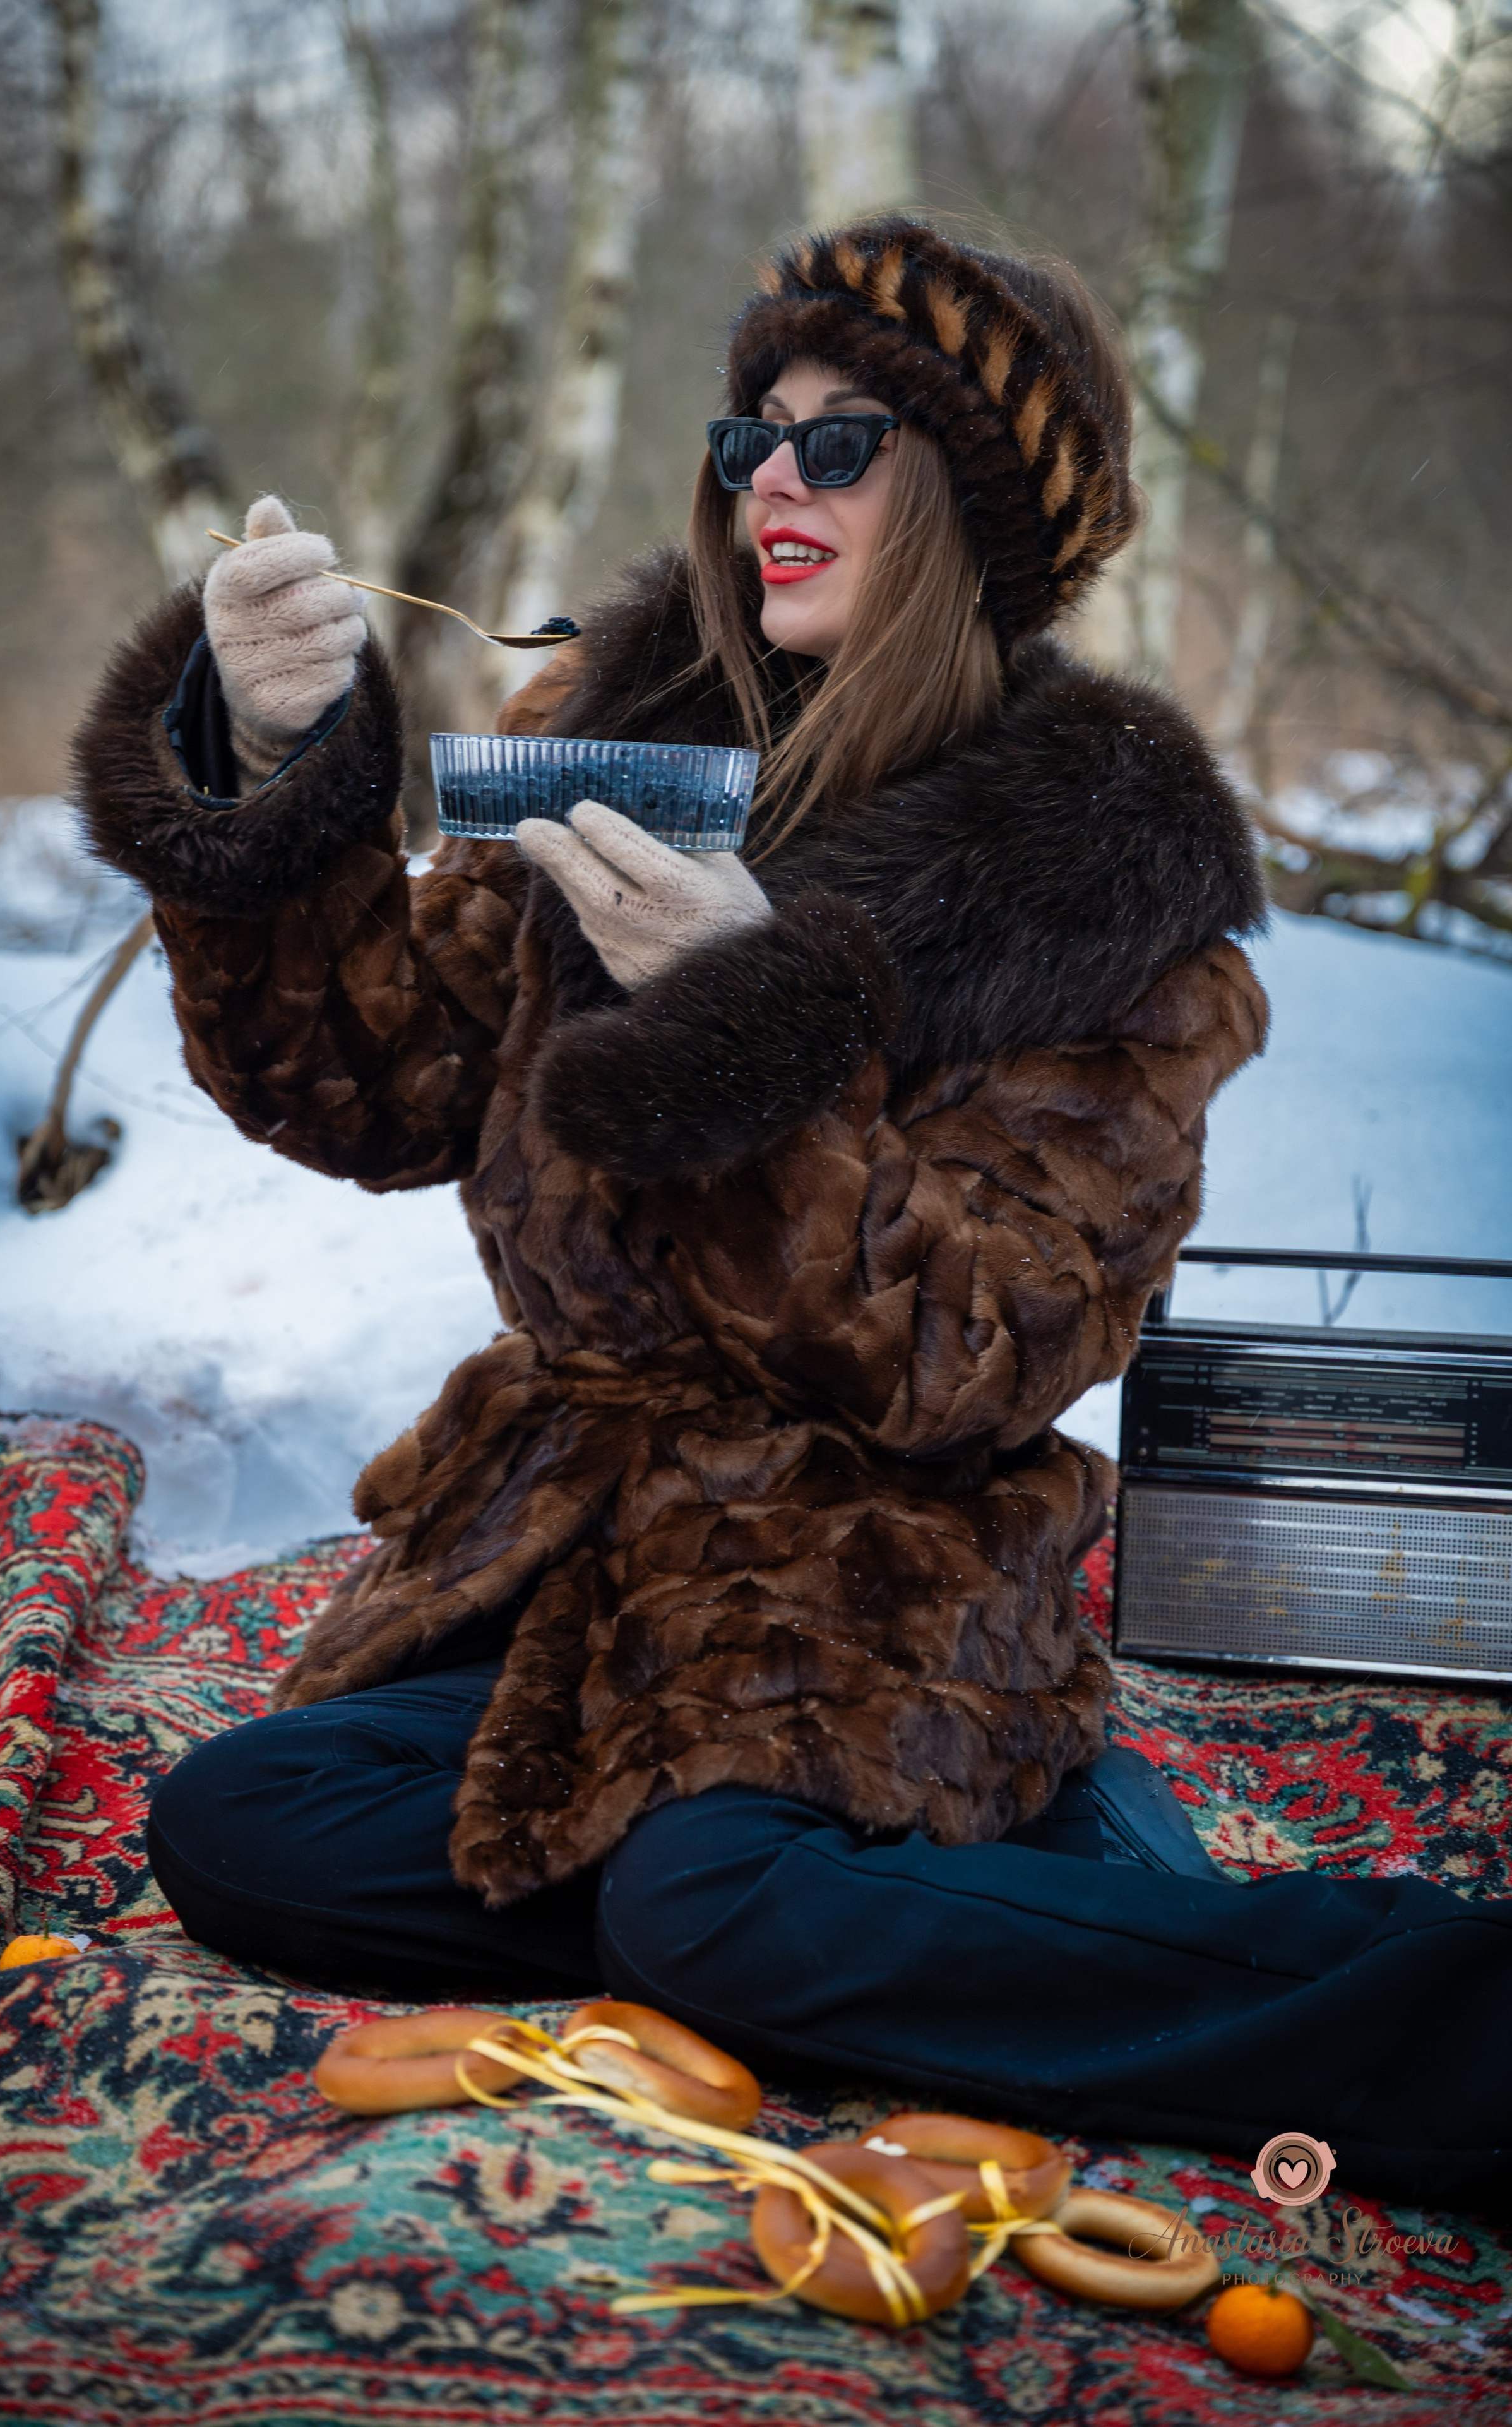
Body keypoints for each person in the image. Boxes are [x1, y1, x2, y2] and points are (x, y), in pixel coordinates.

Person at [74, 217, 1507, 2215]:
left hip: (875, 1571)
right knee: (245, 1822)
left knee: (709, 1904)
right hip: (588, 1556)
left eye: (843, 443)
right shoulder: (631, 747)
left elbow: (975, 1348)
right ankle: (916, 1889)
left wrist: (749, 1030)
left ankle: (1434, 2017)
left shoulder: (1106, 898)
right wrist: (272, 755)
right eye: (756, 431)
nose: (771, 478)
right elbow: (370, 1082)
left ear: (974, 515)